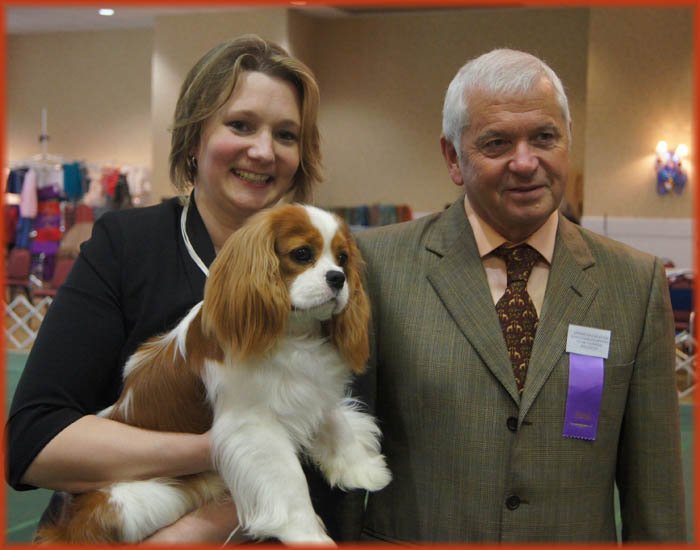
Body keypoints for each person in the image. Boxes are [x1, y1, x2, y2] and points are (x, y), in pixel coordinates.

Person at [326, 48, 686, 542]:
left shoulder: (634, 282)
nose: (525, 162)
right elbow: (342, 454)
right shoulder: (376, 267)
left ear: (567, 142)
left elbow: (656, 493)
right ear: (454, 157)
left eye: (544, 137)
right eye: (496, 143)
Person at [6, 34, 322, 543]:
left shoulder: (325, 267)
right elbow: (36, 442)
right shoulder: (127, 246)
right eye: (240, 125)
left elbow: (336, 454)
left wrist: (204, 527)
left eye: (286, 135)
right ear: (195, 139)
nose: (263, 151)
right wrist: (219, 449)